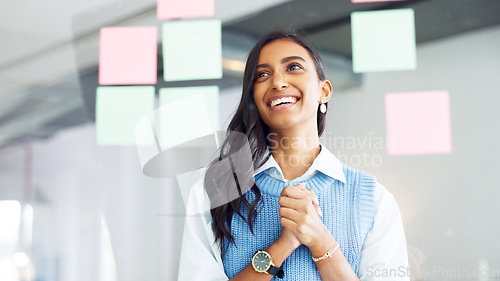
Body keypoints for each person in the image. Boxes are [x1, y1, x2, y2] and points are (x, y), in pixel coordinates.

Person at [178, 29, 409, 281]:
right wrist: (281, 246)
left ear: (324, 91)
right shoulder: (213, 192)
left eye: (294, 67)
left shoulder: (373, 199)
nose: (277, 82)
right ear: (253, 98)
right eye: (262, 74)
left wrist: (320, 240)